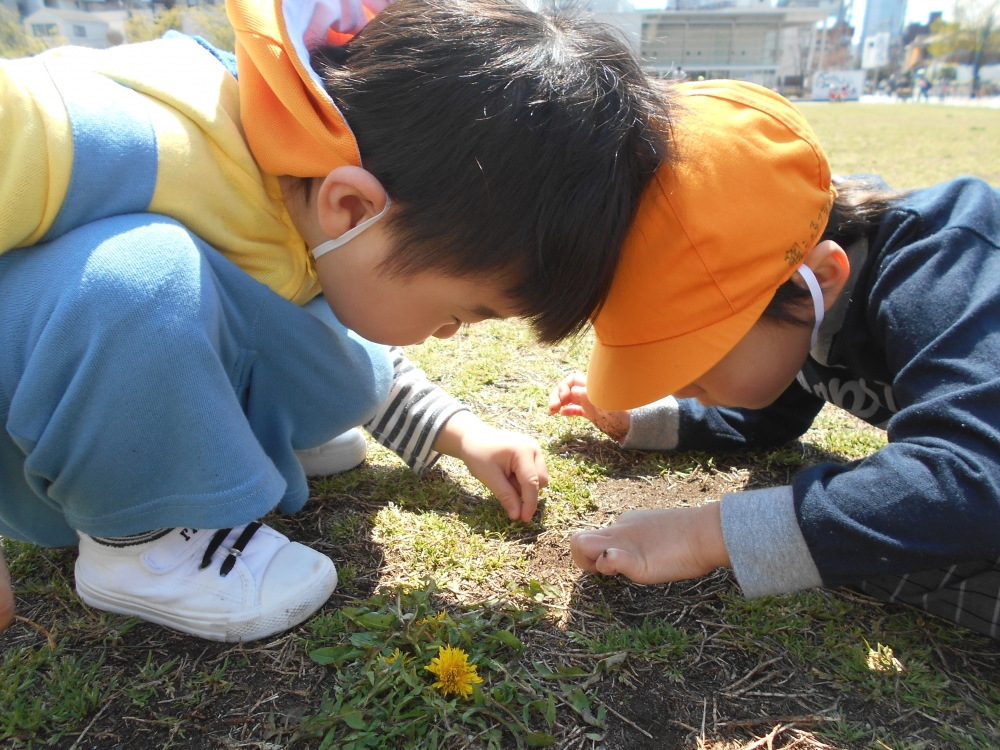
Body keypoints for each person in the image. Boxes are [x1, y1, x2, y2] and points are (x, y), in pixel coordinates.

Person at [0, 0, 666, 641]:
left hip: (118, 382)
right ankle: (141, 546)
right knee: (144, 278)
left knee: (342, 348)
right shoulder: (113, 128)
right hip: (32, 447)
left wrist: (457, 433)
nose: (447, 334)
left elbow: (346, 329)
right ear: (353, 208)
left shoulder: (314, 177)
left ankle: (221, 442)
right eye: (457, 314)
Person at [549, 79, 1000, 639]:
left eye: (698, 350)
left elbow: (973, 475)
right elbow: (769, 416)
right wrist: (646, 417)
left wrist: (704, 535)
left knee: (897, 537)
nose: (678, 378)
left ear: (820, 279)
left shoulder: (944, 269)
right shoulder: (799, 303)